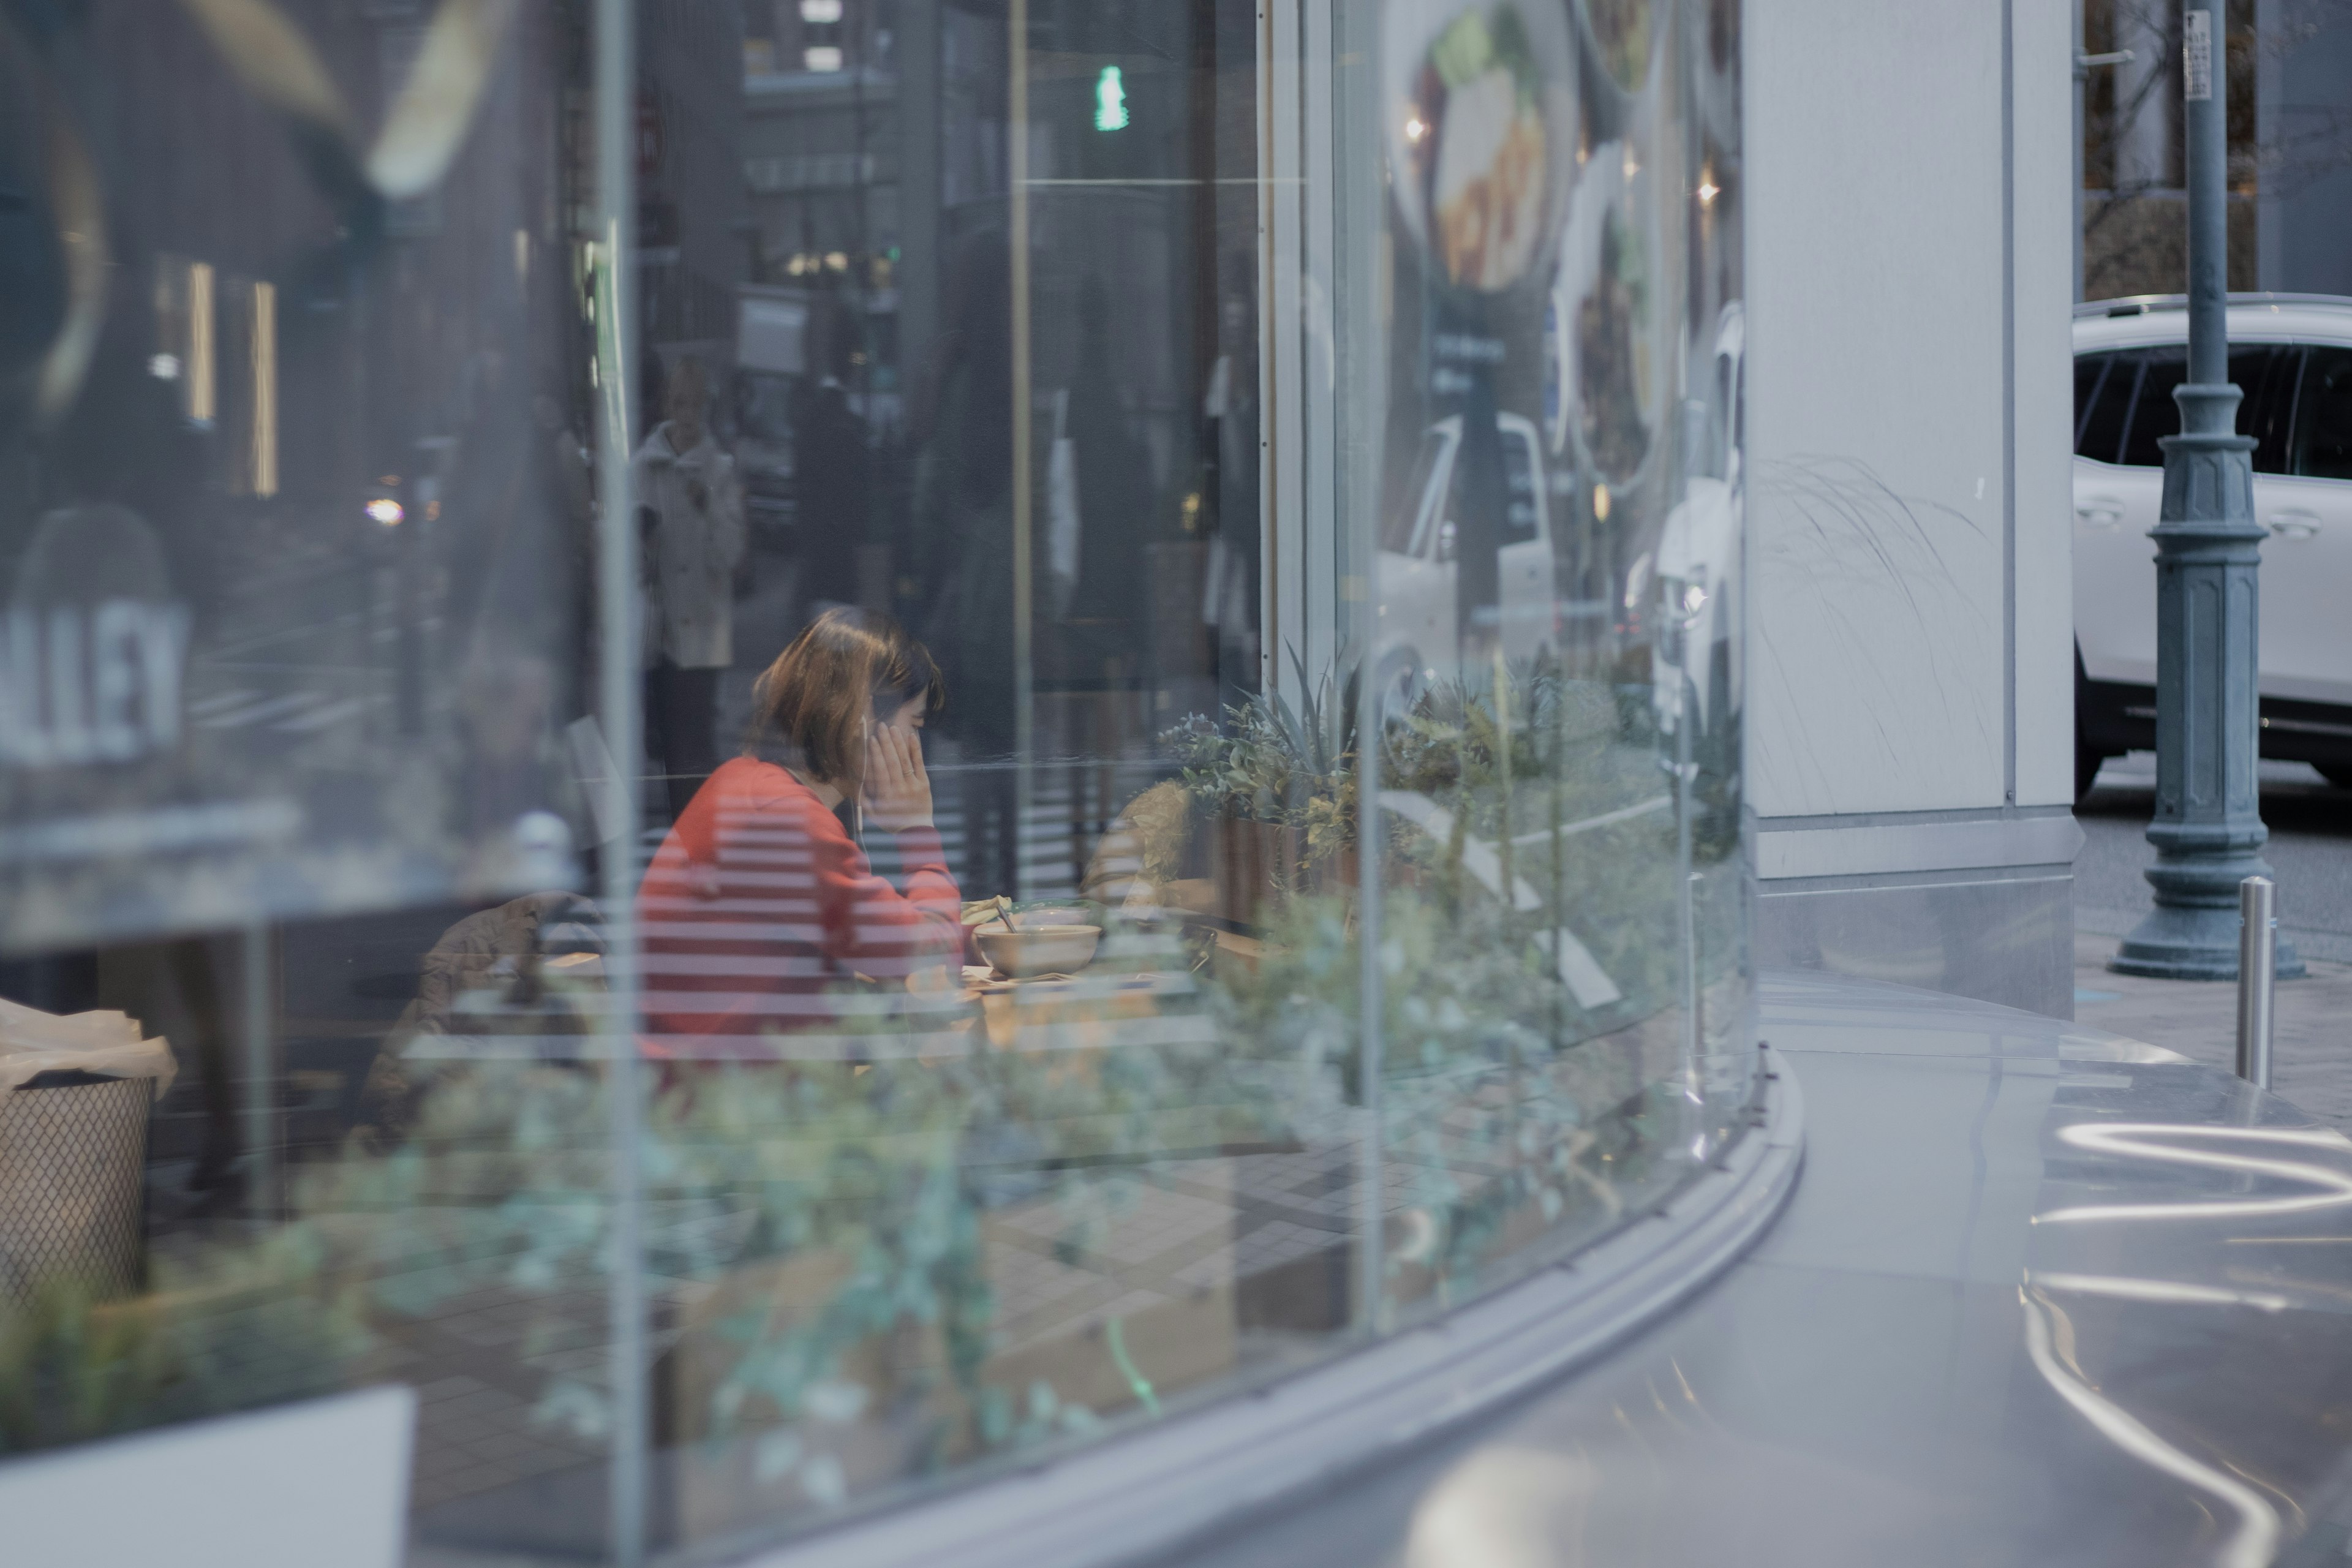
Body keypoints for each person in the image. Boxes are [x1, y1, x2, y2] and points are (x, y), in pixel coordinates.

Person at [638, 608, 965, 1052]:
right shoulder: (784, 817)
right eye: (916, 724)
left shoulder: (744, 781)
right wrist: (917, 832)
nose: (919, 748)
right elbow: (925, 958)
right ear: (864, 715)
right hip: (733, 1100)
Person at [635, 357, 746, 819]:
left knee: (694, 743)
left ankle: (697, 838)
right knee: (662, 742)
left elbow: (733, 554)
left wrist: (708, 509)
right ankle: (684, 836)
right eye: (679, 402)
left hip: (701, 630)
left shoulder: (719, 471)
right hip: (655, 630)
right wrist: (642, 539)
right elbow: (626, 555)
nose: (686, 413)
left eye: (694, 404)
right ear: (667, 404)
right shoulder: (642, 468)